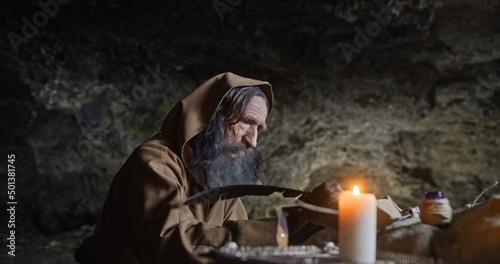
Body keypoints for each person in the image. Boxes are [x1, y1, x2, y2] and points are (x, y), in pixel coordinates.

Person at [74, 72, 341, 264]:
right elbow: (173, 247)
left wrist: (311, 220)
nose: (253, 140)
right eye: (246, 123)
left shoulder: (219, 174)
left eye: (259, 129)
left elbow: (240, 250)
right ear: (210, 118)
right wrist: (289, 226)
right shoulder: (154, 163)